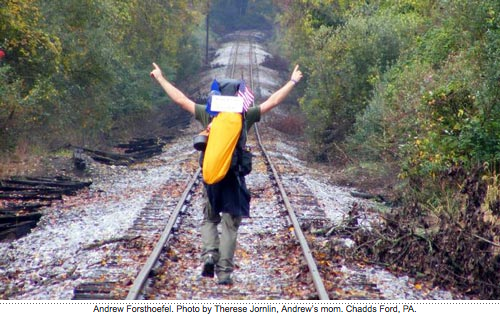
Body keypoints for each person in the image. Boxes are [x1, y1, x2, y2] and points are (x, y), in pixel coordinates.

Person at [150, 62, 303, 285]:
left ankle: (210, 254)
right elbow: (274, 101)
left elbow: (180, 100)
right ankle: (224, 273)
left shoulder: (208, 114)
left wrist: (161, 78)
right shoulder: (244, 115)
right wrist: (292, 81)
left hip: (212, 176)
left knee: (210, 218)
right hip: (234, 177)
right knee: (230, 224)